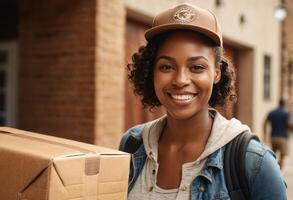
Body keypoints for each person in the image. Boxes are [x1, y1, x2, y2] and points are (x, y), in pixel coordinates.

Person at [119, 3, 287, 200]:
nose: (181, 80)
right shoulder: (132, 144)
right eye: (166, 67)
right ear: (151, 72)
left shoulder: (255, 163)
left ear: (216, 73)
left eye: (197, 67)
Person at [264, 99, 291, 169]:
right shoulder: (286, 113)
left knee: (273, 156)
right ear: (284, 104)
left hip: (273, 138)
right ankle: (279, 172)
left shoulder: (272, 112)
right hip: (283, 138)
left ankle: (274, 168)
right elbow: (289, 124)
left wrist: (265, 134)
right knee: (282, 158)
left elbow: (265, 122)